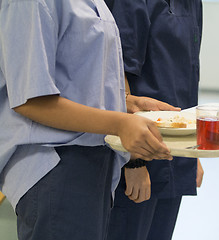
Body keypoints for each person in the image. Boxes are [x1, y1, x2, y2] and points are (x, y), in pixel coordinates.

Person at [0, 0, 179, 239]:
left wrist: (127, 103)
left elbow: (74, 79)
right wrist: (119, 124)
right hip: (54, 165)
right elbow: (30, 99)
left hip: (93, 160)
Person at [104, 0, 204, 239]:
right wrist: (134, 162)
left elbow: (186, 77)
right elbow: (118, 77)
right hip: (138, 155)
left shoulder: (192, 4)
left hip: (175, 154)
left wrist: (192, 151)